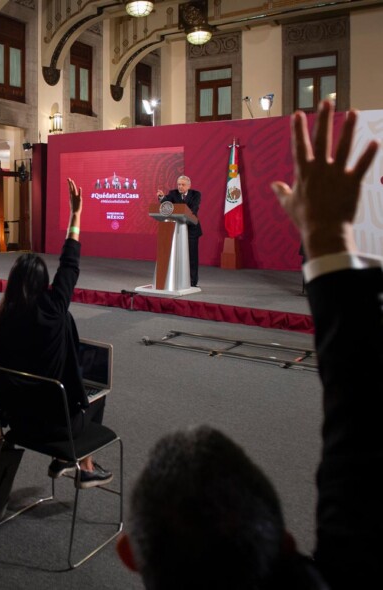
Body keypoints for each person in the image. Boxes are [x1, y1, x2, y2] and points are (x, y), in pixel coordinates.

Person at [117, 101, 382, 589]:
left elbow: (357, 427)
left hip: (187, 246)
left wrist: (323, 246)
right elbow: (361, 417)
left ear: (129, 555)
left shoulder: (193, 195)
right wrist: (329, 239)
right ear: (285, 541)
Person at [0, 178, 112, 489]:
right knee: (94, 398)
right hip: (56, 426)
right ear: (44, 283)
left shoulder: (2, 324)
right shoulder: (54, 309)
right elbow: (69, 265)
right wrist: (76, 215)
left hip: (19, 422)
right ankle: (81, 464)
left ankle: (70, 462)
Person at [157, 175, 203, 287]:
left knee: (192, 257)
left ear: (188, 185)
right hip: (176, 229)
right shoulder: (173, 193)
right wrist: (162, 198)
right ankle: (177, 279)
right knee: (177, 255)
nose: (180, 187)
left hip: (191, 229)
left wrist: (182, 212)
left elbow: (194, 209)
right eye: (179, 184)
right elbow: (166, 204)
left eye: (183, 185)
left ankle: (192, 281)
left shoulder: (196, 194)